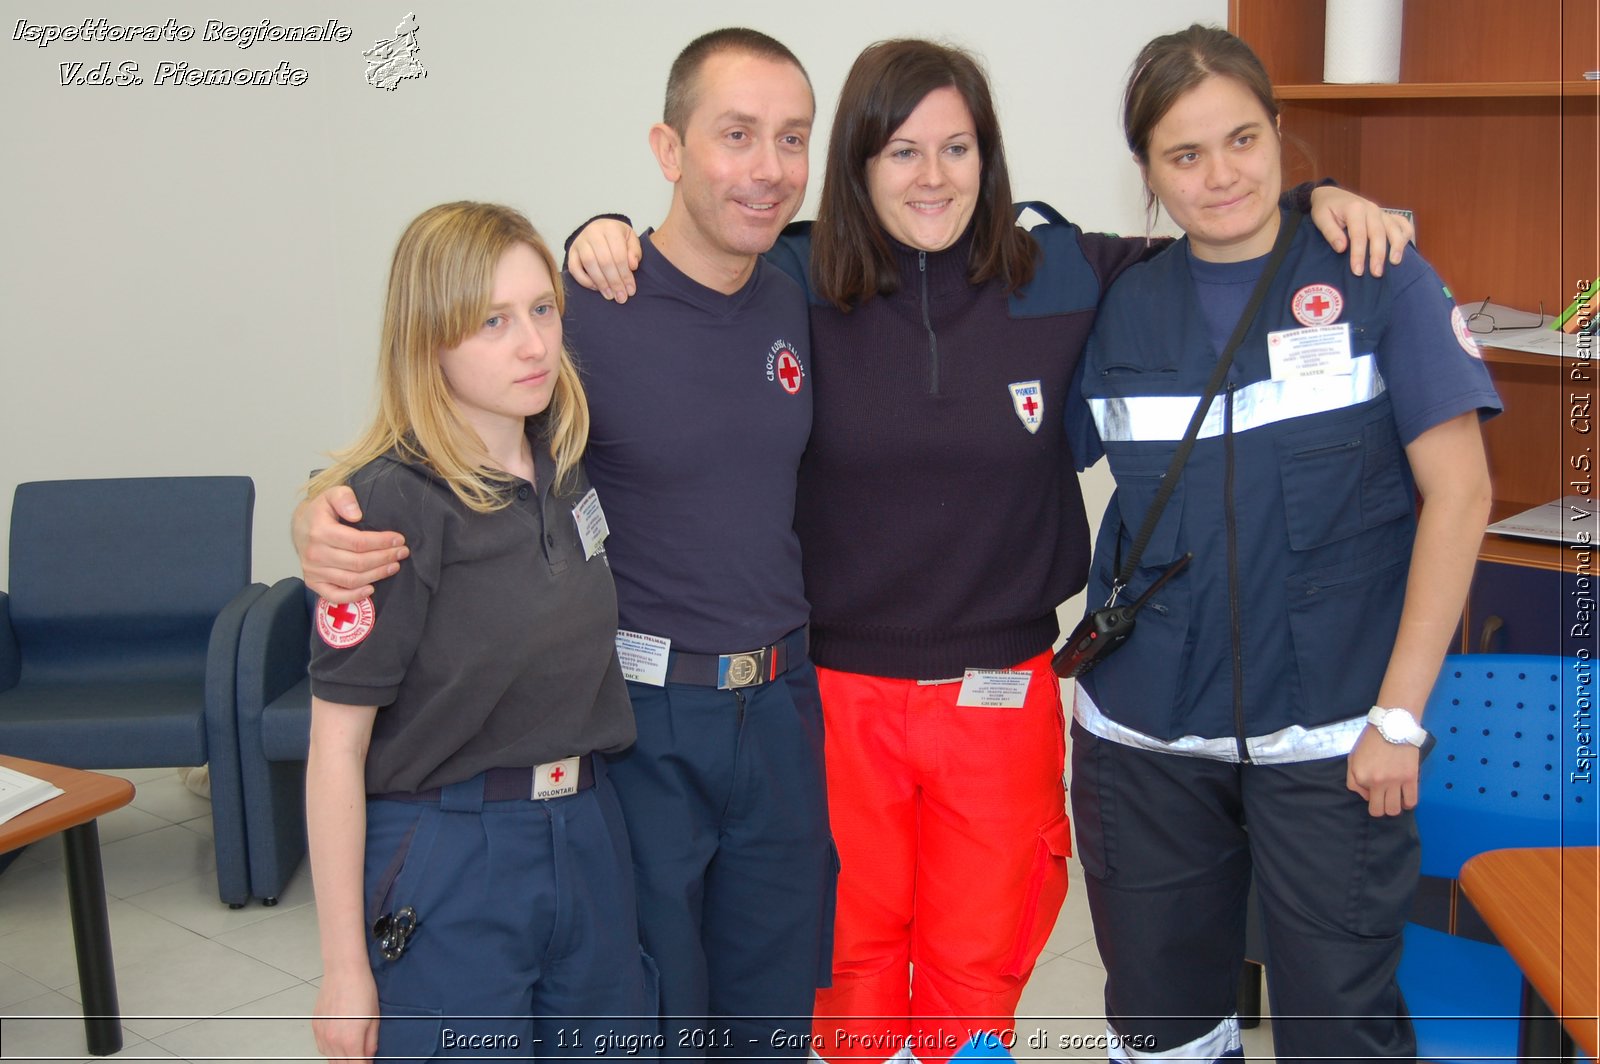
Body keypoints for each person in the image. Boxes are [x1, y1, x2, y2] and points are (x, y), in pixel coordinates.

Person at [565, 37, 1410, 1064]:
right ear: (857, 164)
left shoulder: (1061, 272)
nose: (932, 176)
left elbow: (1215, 225)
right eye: (902, 151)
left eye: (956, 148)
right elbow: (686, 268)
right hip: (835, 692)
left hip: (998, 690)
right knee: (848, 960)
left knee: (978, 959)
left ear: (988, 157)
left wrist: (1318, 197)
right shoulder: (795, 277)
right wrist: (597, 232)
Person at [296, 30, 834, 1058]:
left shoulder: (800, 283)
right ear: (667, 148)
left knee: (765, 1012)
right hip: (638, 720)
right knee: (655, 1007)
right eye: (735, 134)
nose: (767, 166)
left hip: (774, 709)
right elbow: (436, 425)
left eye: (792, 138)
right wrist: (323, 511)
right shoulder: (590, 303)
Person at [1064, 24, 1499, 1063]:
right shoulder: (1117, 307)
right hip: (1145, 738)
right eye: (1184, 154)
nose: (1220, 176)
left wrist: (1397, 714)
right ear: (1147, 172)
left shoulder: (1373, 272)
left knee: (1334, 1029)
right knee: (1164, 1029)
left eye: (1243, 140)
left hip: (1335, 740)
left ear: (1279, 136)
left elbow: (1462, 495)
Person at [304, 202, 653, 1063]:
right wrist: (343, 968)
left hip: (587, 830)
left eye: (541, 311)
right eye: (492, 322)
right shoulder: (389, 505)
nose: (532, 345)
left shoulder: (568, 464)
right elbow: (334, 752)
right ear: (430, 340)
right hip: (452, 853)